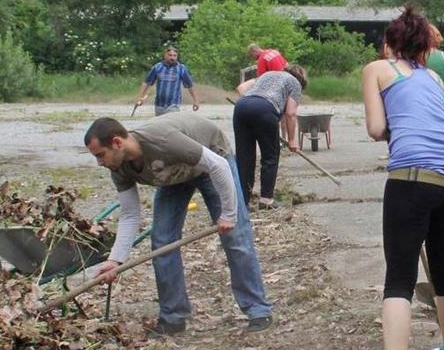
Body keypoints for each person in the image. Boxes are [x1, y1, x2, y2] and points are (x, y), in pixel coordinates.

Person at [362, 6, 444, 350]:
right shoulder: (434, 78)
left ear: (389, 44)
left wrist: (397, 126)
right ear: (425, 47)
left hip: (411, 179)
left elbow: (376, 129)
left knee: (400, 279)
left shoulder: (377, 69)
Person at [83, 114, 273, 335]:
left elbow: (218, 165)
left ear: (117, 142)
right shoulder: (119, 168)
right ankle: (173, 317)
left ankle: (258, 309)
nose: (99, 162)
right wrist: (115, 260)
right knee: (162, 241)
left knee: (235, 237)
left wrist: (229, 215)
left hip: (210, 163)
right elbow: (130, 215)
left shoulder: (162, 141)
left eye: (100, 155)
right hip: (174, 175)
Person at [233, 64, 308, 210]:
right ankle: (266, 200)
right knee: (270, 157)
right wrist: (292, 140)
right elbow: (291, 113)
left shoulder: (268, 75)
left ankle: (242, 202)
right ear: (301, 79)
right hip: (265, 109)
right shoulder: (295, 83)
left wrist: (252, 104)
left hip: (242, 106)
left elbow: (241, 88)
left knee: (244, 158)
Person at [136, 46, 198, 116]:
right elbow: (146, 83)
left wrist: (195, 100)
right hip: (159, 104)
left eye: (175, 56)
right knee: (160, 125)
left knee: (171, 124)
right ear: (165, 55)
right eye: (170, 55)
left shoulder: (181, 68)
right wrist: (140, 97)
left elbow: (190, 85)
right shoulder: (158, 67)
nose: (172, 58)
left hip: (173, 104)